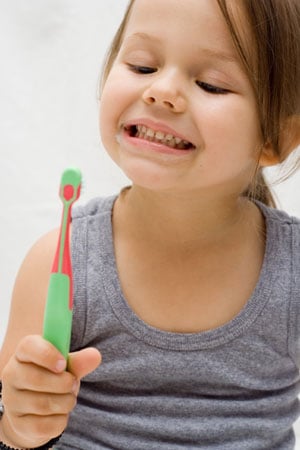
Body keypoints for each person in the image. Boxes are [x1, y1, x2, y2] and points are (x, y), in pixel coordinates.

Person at [1, 0, 300, 448]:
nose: (161, 91)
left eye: (210, 84)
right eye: (141, 66)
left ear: (275, 137)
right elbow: (12, 430)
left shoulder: (291, 273)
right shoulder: (60, 262)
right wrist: (22, 424)